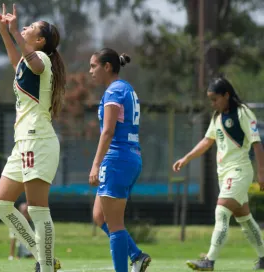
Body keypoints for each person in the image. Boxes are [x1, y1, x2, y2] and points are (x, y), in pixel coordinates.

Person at [0, 3, 66, 272]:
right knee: (1, 204)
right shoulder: (28, 59)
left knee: (37, 209)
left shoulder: (42, 59)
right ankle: (43, 257)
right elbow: (18, 63)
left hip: (38, 141)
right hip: (23, 142)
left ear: (40, 41)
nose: (24, 28)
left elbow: (32, 64)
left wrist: (15, 34)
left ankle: (45, 267)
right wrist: (5, 32)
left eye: (29, 28)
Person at [173, 76, 264, 271]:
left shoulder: (243, 113)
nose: (213, 103)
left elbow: (257, 143)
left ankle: (210, 261)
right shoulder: (217, 117)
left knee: (221, 211)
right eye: (210, 100)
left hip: (239, 171)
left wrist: (262, 173)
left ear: (227, 95)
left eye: (215, 99)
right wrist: (186, 158)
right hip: (224, 175)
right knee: (245, 219)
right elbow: (207, 141)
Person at [88, 48, 151, 272]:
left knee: (115, 225)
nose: (90, 71)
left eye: (94, 66)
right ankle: (136, 255)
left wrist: (96, 164)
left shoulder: (114, 91)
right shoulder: (126, 89)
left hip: (116, 159)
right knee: (99, 216)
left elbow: (108, 132)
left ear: (107, 67)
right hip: (130, 158)